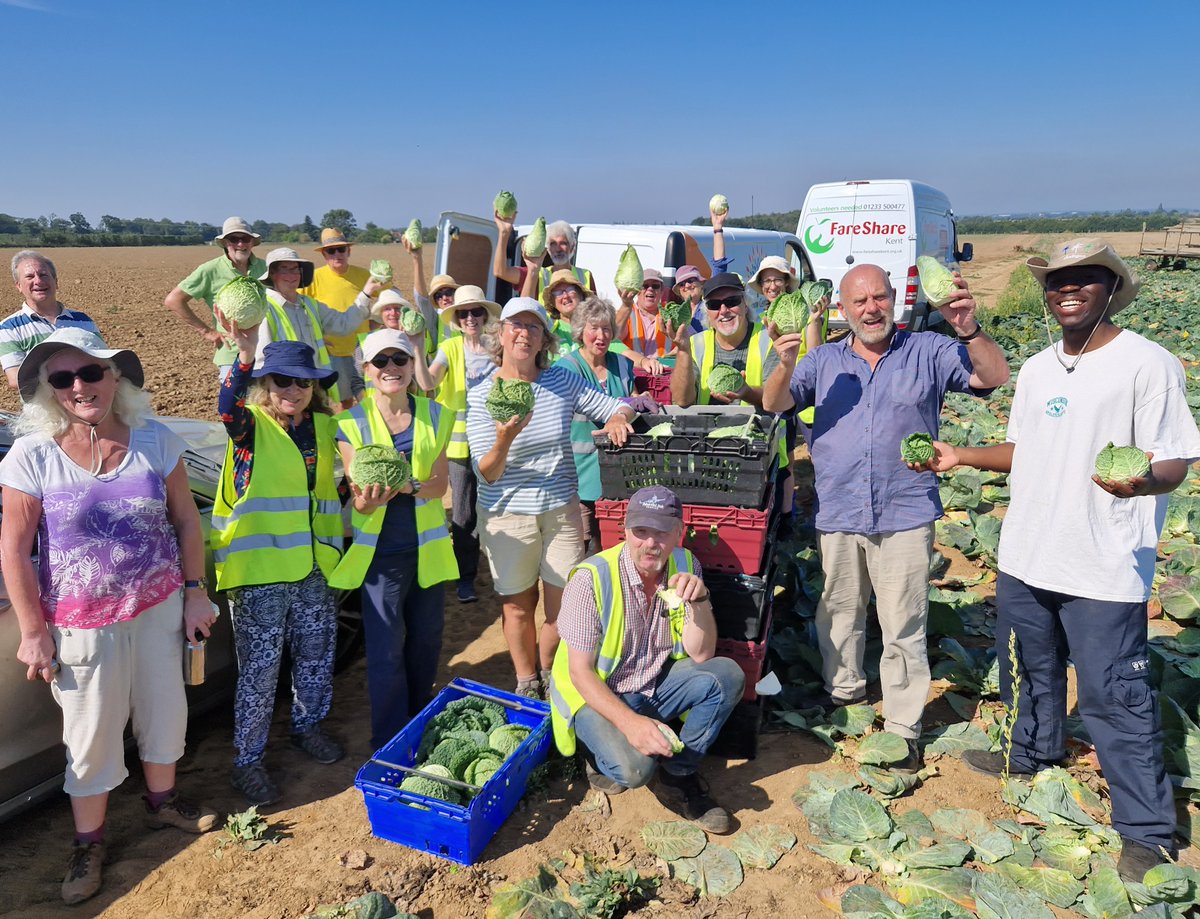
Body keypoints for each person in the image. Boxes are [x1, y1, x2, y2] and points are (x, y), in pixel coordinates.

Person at [911, 239, 1200, 881]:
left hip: (1103, 562)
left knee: (1113, 695)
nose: (1067, 290)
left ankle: (1147, 830)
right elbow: (1024, 448)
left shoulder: (1146, 365)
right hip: (1026, 552)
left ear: (1109, 287)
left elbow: (1176, 460)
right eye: (1057, 282)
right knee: (1027, 668)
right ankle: (1030, 753)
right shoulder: (1040, 368)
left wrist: (1143, 482)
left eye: (1083, 280)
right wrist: (961, 456)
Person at [0, 328, 218, 906]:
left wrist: (195, 593)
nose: (79, 387)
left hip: (158, 606)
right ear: (49, 390)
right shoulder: (33, 455)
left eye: (90, 372)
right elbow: (15, 550)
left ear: (114, 377)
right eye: (63, 379)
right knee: (90, 734)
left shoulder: (154, 439)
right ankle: (89, 842)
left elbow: (187, 522)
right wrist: (32, 632)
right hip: (80, 623)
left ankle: (162, 803)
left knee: (164, 710)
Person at [762, 263, 1010, 767]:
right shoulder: (822, 360)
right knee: (839, 612)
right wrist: (785, 361)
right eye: (859, 301)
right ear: (843, 309)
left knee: (903, 621)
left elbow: (993, 376)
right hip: (839, 507)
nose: (871, 308)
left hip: (904, 508)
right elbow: (774, 403)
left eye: (879, 297)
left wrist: (968, 326)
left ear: (894, 298)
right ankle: (844, 693)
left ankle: (902, 726)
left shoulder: (929, 350)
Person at [466, 297, 637, 699]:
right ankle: (526, 682)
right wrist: (505, 438)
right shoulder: (481, 394)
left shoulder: (560, 381)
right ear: (501, 333)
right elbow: (486, 471)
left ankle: (546, 671)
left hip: (561, 511)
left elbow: (618, 405)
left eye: (534, 327)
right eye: (516, 326)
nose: (524, 334)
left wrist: (617, 417)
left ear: (545, 339)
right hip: (508, 515)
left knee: (562, 612)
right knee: (518, 606)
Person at [549, 486, 743, 833]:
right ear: (625, 531)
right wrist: (630, 724)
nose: (651, 543)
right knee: (635, 770)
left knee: (725, 675)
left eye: (662, 532)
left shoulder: (686, 564)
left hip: (653, 683)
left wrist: (699, 601)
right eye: (641, 532)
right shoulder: (591, 579)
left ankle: (678, 775)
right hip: (598, 695)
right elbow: (580, 672)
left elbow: (702, 653)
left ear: (678, 533)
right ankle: (595, 754)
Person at [213, 331, 346, 806]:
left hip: (316, 566)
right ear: (264, 384)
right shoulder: (248, 426)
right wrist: (244, 355)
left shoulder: (326, 428)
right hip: (261, 571)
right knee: (260, 671)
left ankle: (307, 727)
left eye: (304, 383)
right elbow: (225, 405)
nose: (293, 391)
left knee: (315, 655)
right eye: (283, 381)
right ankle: (247, 761)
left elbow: (339, 485)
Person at [329, 329, 457, 749]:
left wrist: (408, 485)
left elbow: (440, 485)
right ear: (365, 370)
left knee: (425, 641)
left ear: (410, 366)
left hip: (428, 550)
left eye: (398, 360)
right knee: (384, 650)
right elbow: (359, 503)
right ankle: (388, 738)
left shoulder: (435, 414)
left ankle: (419, 721)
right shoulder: (348, 423)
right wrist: (370, 500)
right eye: (380, 361)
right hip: (381, 556)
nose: (391, 368)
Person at [412, 285, 500, 603]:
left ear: (486, 315)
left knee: (500, 506)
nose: (470, 318)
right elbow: (426, 383)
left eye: (476, 311)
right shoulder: (450, 348)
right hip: (460, 444)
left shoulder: (497, 346)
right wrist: (418, 347)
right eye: (463, 313)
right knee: (463, 513)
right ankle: (466, 577)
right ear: (456, 319)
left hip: (496, 441)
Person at [556, 296, 638, 552]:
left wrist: (635, 403)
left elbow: (632, 400)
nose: (601, 336)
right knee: (577, 549)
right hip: (579, 478)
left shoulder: (623, 364)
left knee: (612, 548)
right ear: (580, 332)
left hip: (619, 476)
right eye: (594, 328)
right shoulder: (566, 368)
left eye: (606, 328)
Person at [250, 247, 380, 406]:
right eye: (284, 270)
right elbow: (261, 358)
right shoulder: (265, 308)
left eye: (295, 270)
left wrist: (365, 294)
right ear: (273, 274)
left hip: (311, 387)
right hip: (284, 392)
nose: (291, 275)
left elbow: (343, 323)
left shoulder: (310, 305)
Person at [164, 216, 268, 381]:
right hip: (232, 354)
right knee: (234, 403)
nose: (241, 244)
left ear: (252, 242)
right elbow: (173, 300)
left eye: (245, 239)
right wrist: (207, 331)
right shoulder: (210, 270)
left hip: (267, 352)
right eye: (234, 239)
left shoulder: (266, 267)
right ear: (226, 243)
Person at [299, 228, 374, 406]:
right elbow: (298, 308)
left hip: (363, 349)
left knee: (370, 399)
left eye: (341, 249)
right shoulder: (313, 278)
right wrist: (314, 338)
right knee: (343, 402)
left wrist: (378, 323)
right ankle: (345, 434)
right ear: (324, 255)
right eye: (331, 251)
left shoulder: (364, 275)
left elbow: (390, 298)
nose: (337, 254)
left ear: (349, 251)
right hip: (333, 352)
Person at [2, 251, 101, 388]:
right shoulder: (9, 328)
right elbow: (16, 378)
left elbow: (104, 362)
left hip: (88, 401)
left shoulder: (83, 320)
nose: (38, 281)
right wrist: (70, 378)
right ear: (19, 286)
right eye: (30, 276)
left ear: (56, 282)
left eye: (43, 275)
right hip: (46, 408)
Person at [493, 210, 596, 299]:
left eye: (563, 243)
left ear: (572, 246)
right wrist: (504, 233)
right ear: (548, 249)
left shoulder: (585, 276)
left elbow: (594, 311)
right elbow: (500, 271)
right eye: (553, 244)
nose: (558, 249)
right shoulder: (536, 273)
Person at [615, 268, 673, 362]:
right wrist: (626, 305)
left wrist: (670, 356)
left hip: (665, 372)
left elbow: (689, 341)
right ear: (637, 290)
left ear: (662, 291)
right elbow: (613, 339)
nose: (650, 289)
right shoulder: (626, 312)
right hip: (633, 372)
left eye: (655, 286)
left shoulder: (671, 313)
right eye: (644, 286)